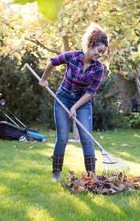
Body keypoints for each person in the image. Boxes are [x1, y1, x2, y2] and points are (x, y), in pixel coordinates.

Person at [39, 24, 109, 181]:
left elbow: (90, 93)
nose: (100, 54)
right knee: (62, 137)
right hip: (63, 97)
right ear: (91, 44)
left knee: (86, 138)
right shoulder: (72, 56)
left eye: (102, 52)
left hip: (83, 102)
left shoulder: (99, 68)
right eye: (99, 50)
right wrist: (44, 79)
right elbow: (53, 62)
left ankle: (92, 176)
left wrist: (75, 107)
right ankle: (56, 174)